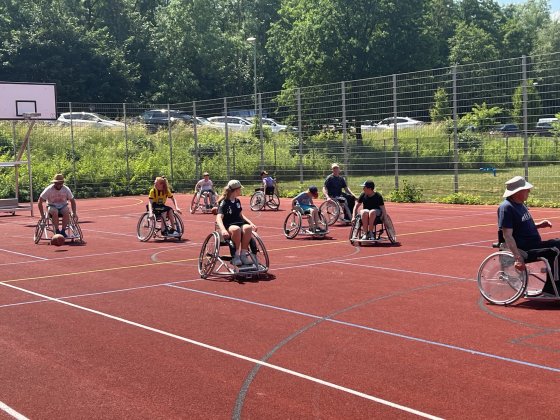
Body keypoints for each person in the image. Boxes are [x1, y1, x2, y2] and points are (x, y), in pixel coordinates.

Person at [498, 175, 560, 298]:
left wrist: (539, 225)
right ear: (518, 192)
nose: (529, 191)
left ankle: (555, 281)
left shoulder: (521, 205)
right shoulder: (506, 208)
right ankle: (550, 290)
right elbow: (507, 235)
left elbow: (521, 226)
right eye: (526, 189)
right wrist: (517, 258)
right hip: (525, 250)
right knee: (555, 251)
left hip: (535, 244)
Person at [216, 180, 258, 266]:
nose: (241, 190)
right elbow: (219, 217)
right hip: (228, 225)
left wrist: (251, 223)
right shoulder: (224, 202)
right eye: (240, 189)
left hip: (239, 223)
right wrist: (223, 230)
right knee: (236, 229)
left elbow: (241, 215)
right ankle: (235, 256)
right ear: (236, 190)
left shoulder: (237, 201)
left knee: (248, 227)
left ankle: (243, 255)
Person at [38, 173, 78, 238]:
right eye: (57, 183)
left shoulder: (66, 189)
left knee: (66, 211)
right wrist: (42, 215)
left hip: (63, 206)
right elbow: (40, 201)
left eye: (60, 183)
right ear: (54, 183)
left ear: (62, 183)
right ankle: (57, 231)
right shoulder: (49, 189)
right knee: (55, 211)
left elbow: (72, 201)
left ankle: (63, 231)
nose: (59, 185)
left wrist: (74, 213)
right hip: (52, 206)